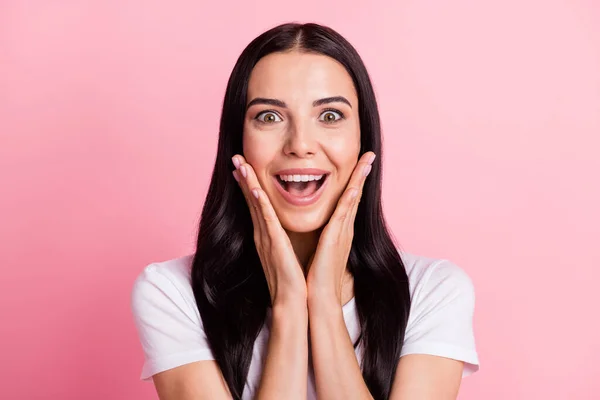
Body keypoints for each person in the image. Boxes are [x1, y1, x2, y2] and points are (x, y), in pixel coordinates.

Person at [130, 22, 480, 400]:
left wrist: (326, 306)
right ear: (238, 143)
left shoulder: (434, 291)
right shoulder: (172, 293)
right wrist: (288, 308)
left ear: (364, 139)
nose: (300, 144)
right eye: (269, 116)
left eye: (330, 116)